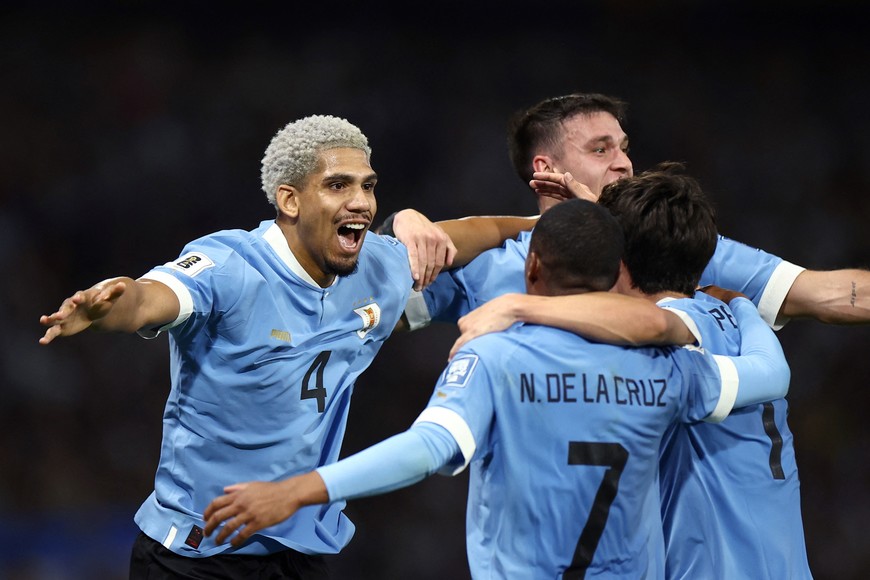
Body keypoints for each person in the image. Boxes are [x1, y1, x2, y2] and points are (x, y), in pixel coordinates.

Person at [37, 114, 539, 579]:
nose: (361, 202)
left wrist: (547, 226)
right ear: (290, 200)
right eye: (338, 185)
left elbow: (474, 233)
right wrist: (107, 308)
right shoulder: (230, 266)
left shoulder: (377, 265)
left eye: (368, 186)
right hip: (196, 554)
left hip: (298, 549)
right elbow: (149, 299)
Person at [201, 198, 792, 578]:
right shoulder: (663, 369)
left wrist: (298, 490)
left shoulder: (495, 356)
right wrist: (745, 311)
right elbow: (769, 375)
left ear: (532, 267)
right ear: (617, 276)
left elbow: (428, 448)